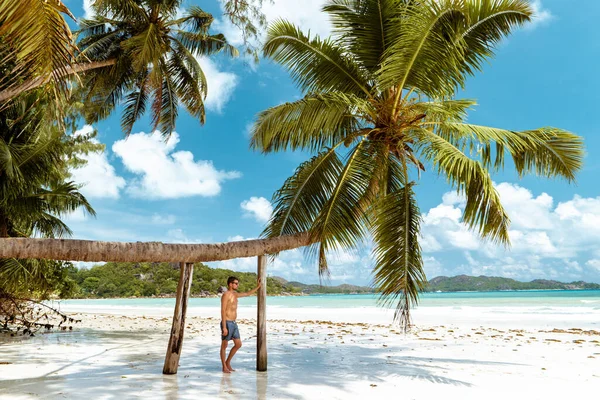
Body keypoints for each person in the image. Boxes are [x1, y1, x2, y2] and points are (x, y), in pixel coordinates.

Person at [220, 276, 261, 373]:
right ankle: (224, 366)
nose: (237, 285)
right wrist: (224, 327)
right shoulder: (226, 295)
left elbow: (247, 293)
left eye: (237, 283)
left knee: (238, 344)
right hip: (228, 323)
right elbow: (223, 310)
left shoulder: (235, 294)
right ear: (230, 284)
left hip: (234, 323)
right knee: (224, 345)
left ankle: (227, 362)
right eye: (236, 283)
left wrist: (258, 286)